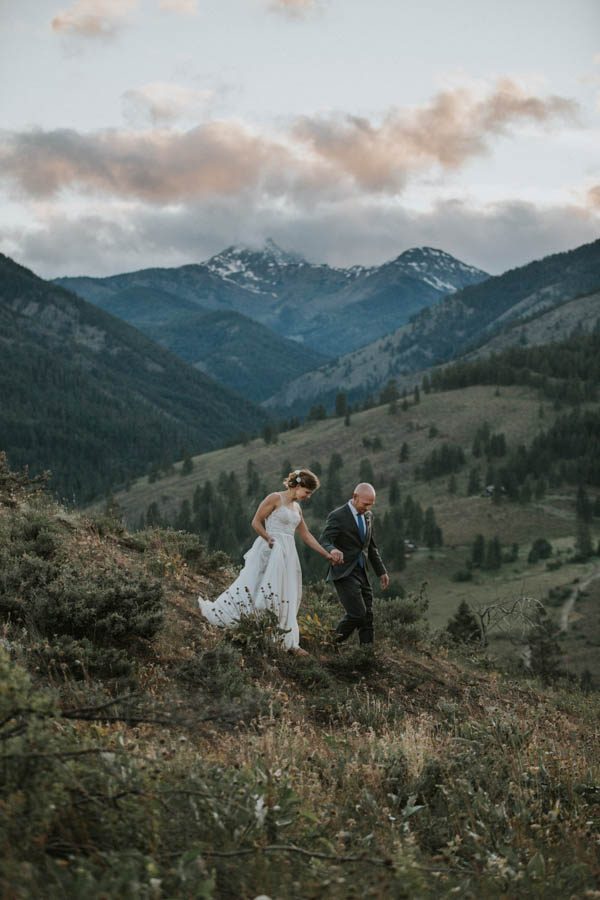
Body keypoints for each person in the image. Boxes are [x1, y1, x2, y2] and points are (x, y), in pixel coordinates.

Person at [198, 468, 339, 654]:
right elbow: (256, 521)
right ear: (297, 486)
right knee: (257, 585)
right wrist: (268, 538)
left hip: (287, 554)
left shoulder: (297, 508)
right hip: (270, 549)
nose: (308, 497)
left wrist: (326, 554)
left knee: (284, 592)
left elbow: (306, 535)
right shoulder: (275, 498)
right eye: (307, 492)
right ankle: (249, 623)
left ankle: (285, 639)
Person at [319, 482, 389, 646]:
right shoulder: (338, 516)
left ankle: (367, 654)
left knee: (368, 616)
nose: (368, 508)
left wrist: (381, 571)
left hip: (362, 571)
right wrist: (333, 550)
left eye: (371, 504)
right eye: (365, 504)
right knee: (357, 614)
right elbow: (325, 540)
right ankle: (329, 644)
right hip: (343, 572)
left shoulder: (369, 516)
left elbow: (370, 546)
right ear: (355, 497)